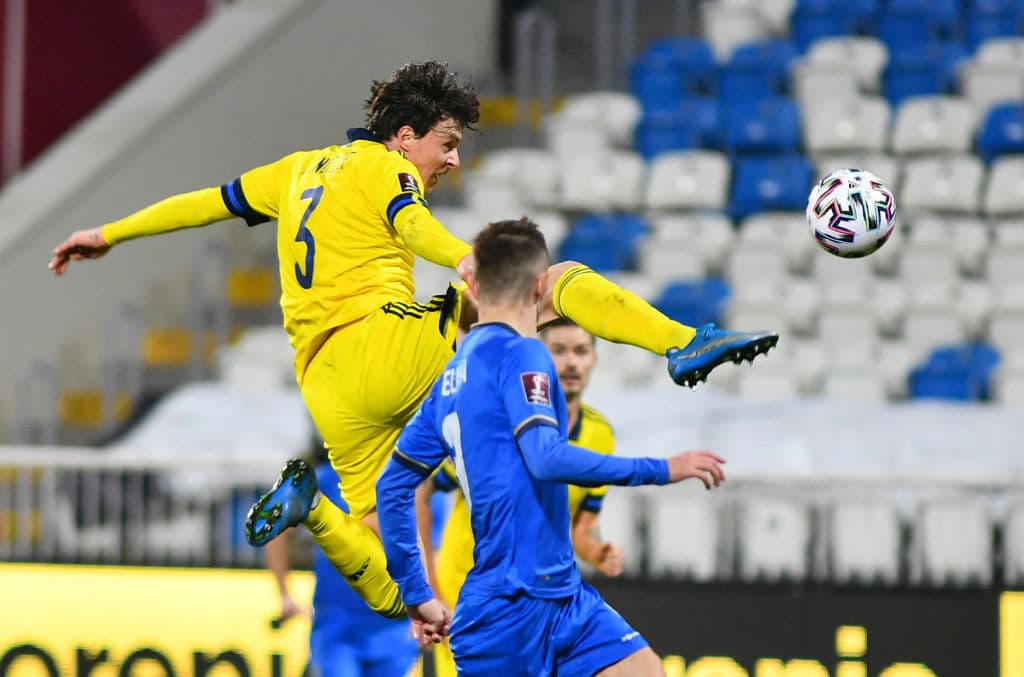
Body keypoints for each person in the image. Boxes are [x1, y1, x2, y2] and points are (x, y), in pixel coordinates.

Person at [49, 61, 770, 622]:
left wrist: (107, 233)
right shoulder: (381, 165)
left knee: (404, 590)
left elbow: (203, 203)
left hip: (326, 384)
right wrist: (469, 257)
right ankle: (681, 342)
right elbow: (408, 223)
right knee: (553, 280)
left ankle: (312, 508)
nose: (452, 160)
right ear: (405, 135)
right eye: (447, 143)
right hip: (381, 345)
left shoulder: (295, 170)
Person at [376, 217, 729, 675]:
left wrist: (416, 593)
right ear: (542, 285)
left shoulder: (447, 382)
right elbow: (544, 457)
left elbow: (392, 487)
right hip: (506, 609)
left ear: (474, 285)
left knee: (644, 671)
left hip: (564, 596)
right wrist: (662, 468)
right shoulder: (523, 354)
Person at [416, 318, 622, 676]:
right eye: (558, 350)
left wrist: (596, 551)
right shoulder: (500, 426)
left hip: (540, 599)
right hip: (470, 592)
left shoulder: (600, 434)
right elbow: (422, 490)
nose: (571, 362)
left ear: (594, 359)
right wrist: (429, 587)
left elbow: (578, 527)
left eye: (581, 351)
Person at [265, 449, 419, 677]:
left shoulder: (411, 483)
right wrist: (285, 594)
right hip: (337, 627)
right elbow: (275, 526)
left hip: (394, 629)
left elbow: (430, 551)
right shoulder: (329, 480)